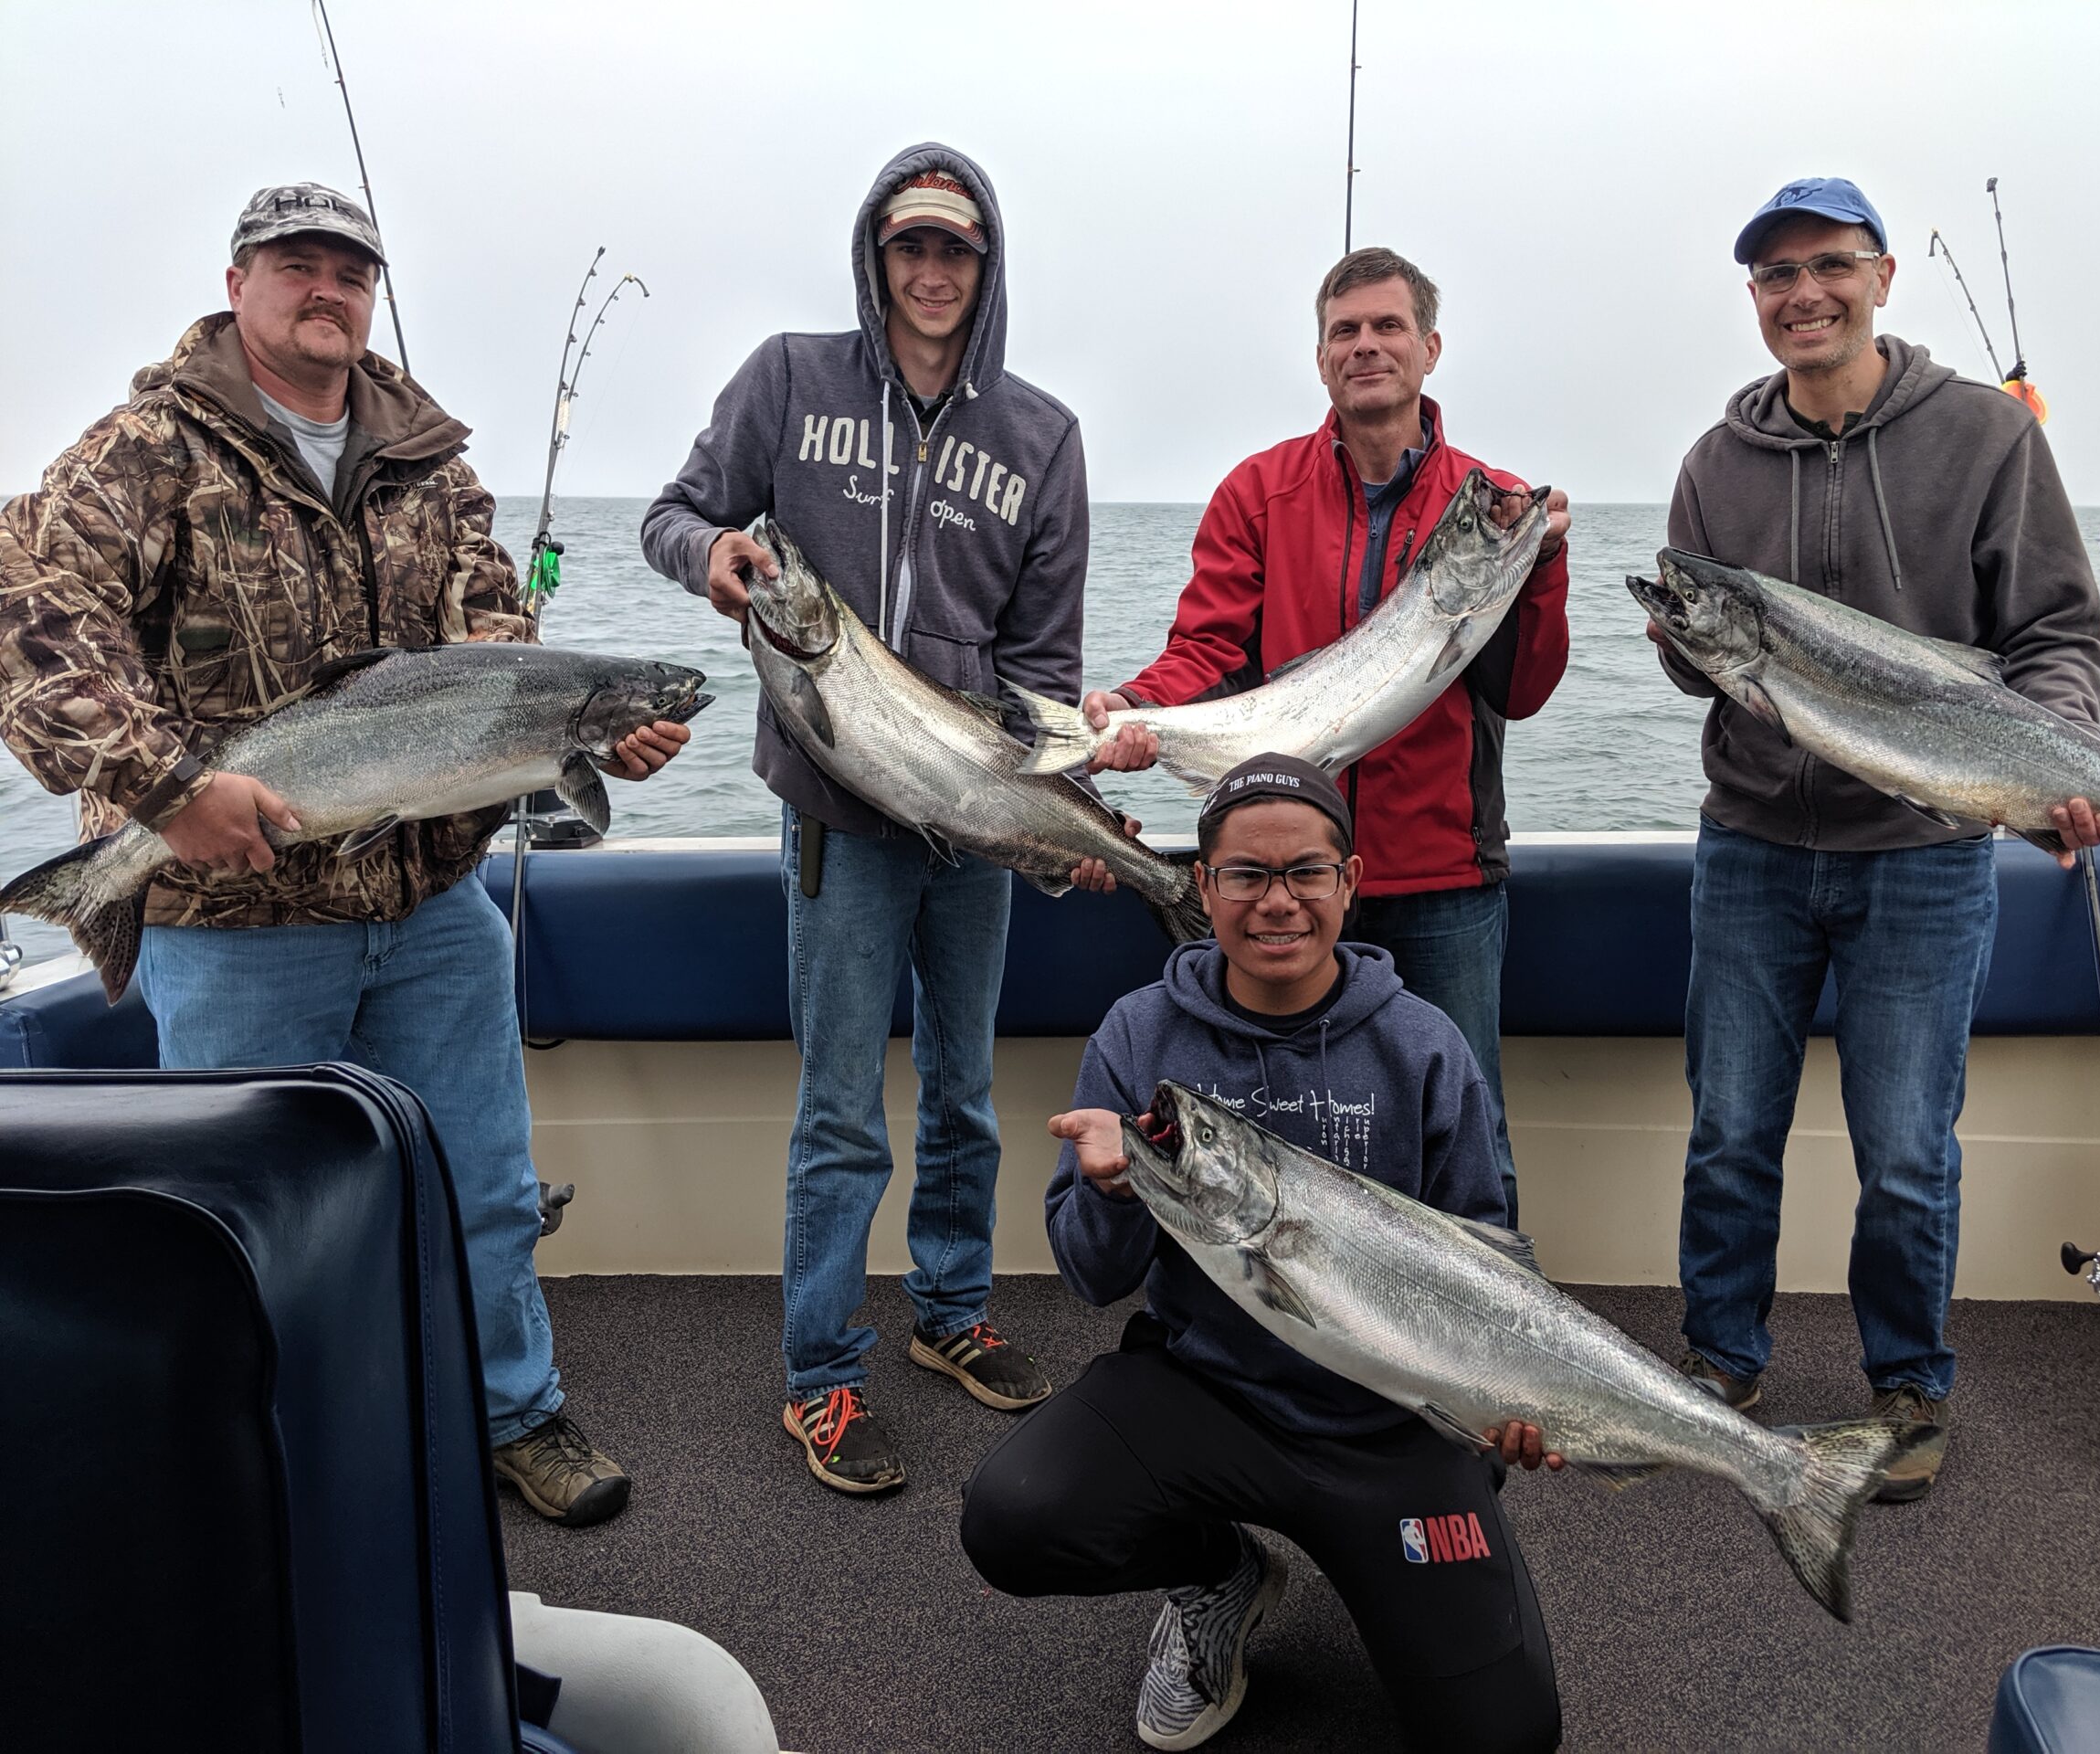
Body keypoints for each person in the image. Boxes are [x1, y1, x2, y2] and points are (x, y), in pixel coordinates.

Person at [0, 182, 690, 1526]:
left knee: (479, 1180)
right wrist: (170, 789)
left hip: (429, 903)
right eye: (297, 263)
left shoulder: (430, 461)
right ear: (239, 279)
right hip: (231, 922)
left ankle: (514, 1413)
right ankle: (267, 1453)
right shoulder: (147, 453)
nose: (328, 288)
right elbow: (31, 626)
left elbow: (494, 630)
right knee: (245, 1206)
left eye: (349, 269)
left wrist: (587, 732)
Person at [1650, 177, 2100, 1502]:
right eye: (1773, 277)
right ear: (1753, 302)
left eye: (1828, 267)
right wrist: (1686, 643)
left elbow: (2053, 638)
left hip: (1927, 849)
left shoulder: (1984, 437)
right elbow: (1710, 669)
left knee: (1907, 1147)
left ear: (1879, 278)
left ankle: (1910, 1386)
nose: (1802, 294)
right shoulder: (1714, 463)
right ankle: (1719, 1363)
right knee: (1731, 1129)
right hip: (1753, 841)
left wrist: (2063, 758)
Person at [640, 146, 1090, 1494]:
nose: (934, 271)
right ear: (876, 255)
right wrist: (709, 558)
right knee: (842, 1110)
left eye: (957, 250)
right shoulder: (789, 376)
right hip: (837, 814)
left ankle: (951, 1316)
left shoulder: (1043, 435)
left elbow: (1045, 672)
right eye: (912, 247)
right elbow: (673, 517)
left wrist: (1053, 805)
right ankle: (821, 1375)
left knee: (964, 1093)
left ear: (986, 264)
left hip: (972, 830)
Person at [960, 755, 1564, 1754]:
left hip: (1389, 1426)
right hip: (1207, 1393)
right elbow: (1090, 1277)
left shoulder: (1422, 1045)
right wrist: (1118, 1191)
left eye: (1304, 873)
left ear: (1349, 881)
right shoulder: (1139, 1034)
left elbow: (1486, 1267)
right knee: (1015, 1517)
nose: (1276, 902)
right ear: (1202, 886)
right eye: (1245, 874)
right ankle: (1216, 1575)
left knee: (1503, 1738)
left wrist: (1500, 1403)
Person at [1081, 247, 1571, 1227]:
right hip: (1285, 875)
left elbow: (1518, 691)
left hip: (1441, 878)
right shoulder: (1257, 493)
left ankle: (1483, 1370)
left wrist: (1540, 567)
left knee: (1467, 1136)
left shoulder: (1490, 502)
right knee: (1289, 1132)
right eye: (1344, 331)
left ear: (1430, 348)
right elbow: (1208, 652)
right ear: (1319, 359)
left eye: (1388, 327)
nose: (1366, 347)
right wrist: (1134, 712)